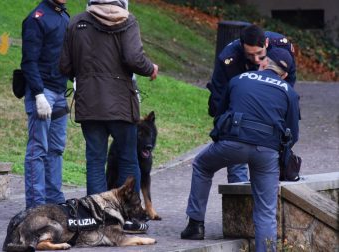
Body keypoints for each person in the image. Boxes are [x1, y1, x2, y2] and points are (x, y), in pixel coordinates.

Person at [181, 48, 300, 252]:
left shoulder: (239, 78)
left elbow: (220, 114)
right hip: (267, 153)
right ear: (285, 74)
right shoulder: (289, 92)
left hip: (231, 144)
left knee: (201, 165)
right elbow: (293, 135)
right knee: (266, 211)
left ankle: (195, 225)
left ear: (263, 63)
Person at [60, 0, 158, 233]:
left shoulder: (76, 22)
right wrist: (150, 68)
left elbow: (64, 65)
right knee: (128, 158)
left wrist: (86, 77)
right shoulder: (128, 20)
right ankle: (130, 217)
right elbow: (134, 58)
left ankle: (96, 218)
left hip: (90, 104)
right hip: (121, 105)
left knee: (95, 159)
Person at [207, 24, 296, 183]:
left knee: (267, 159)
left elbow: (288, 86)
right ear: (242, 47)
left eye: (260, 54)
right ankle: (239, 202)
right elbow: (219, 99)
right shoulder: (228, 59)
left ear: (267, 44)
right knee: (236, 157)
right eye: (250, 55)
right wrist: (222, 132)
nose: (255, 59)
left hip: (269, 111)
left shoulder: (282, 48)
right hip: (237, 115)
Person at [21, 0, 70, 209]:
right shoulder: (36, 19)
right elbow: (28, 62)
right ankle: (36, 208)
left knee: (56, 149)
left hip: (60, 92)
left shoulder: (64, 16)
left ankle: (55, 204)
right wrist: (39, 94)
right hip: (42, 93)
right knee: (38, 150)